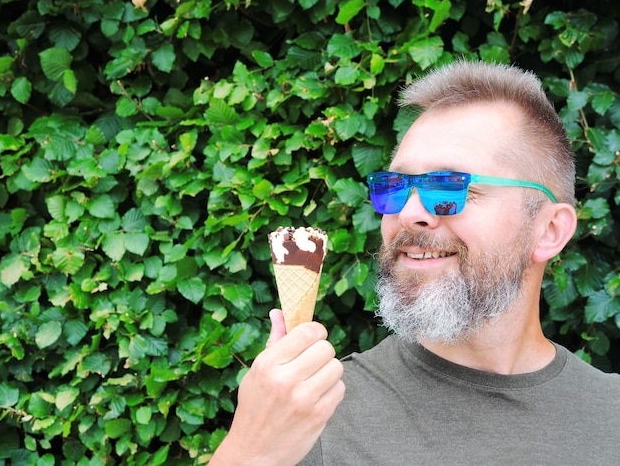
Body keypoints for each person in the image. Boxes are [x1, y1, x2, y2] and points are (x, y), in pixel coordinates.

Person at [210, 61, 620, 465]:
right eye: (395, 187)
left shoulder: (611, 417)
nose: (408, 213)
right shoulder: (311, 418)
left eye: (449, 187)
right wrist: (249, 452)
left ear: (549, 230)